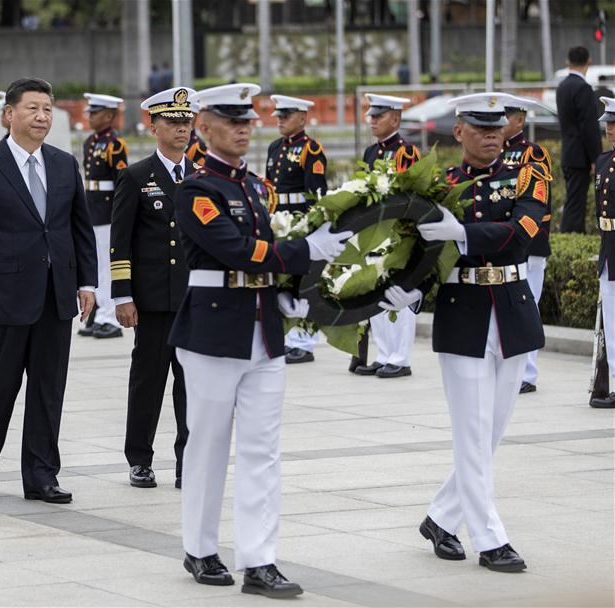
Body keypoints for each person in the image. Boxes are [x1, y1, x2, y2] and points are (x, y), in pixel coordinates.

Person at [170, 83, 352, 598]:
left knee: (262, 450)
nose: (244, 129)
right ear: (204, 126)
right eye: (232, 121)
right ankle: (200, 548)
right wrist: (305, 252)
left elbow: (265, 250)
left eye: (247, 121)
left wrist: (288, 290)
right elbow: (234, 250)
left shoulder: (254, 187)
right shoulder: (196, 190)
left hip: (262, 330)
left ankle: (259, 560)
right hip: (212, 332)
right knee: (208, 445)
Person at [411, 92, 549, 572]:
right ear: (459, 131)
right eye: (481, 127)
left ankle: (440, 518)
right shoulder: (441, 186)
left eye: (497, 127)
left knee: (490, 433)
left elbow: (522, 232)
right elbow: (422, 252)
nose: (493, 135)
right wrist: (406, 290)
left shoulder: (525, 176)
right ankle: (491, 539)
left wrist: (464, 235)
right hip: (463, 312)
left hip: (512, 310)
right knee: (472, 432)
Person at [0, 78, 97, 504]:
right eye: (32, 108)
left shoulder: (63, 163)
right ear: (9, 114)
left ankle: (41, 476)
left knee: (48, 390)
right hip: (6, 296)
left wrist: (86, 282)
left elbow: (79, 228)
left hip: (56, 295)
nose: (41, 116)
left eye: (47, 109)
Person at [110, 86, 195, 490]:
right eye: (173, 122)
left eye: (186, 122)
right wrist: (123, 295)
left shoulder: (202, 176)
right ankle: (140, 459)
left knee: (192, 385)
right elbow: (120, 241)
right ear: (154, 126)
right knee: (148, 382)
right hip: (154, 300)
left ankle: (188, 460)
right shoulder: (136, 176)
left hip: (194, 300)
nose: (182, 129)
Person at [351, 94, 421, 379]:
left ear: (395, 118)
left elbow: (409, 194)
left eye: (378, 116)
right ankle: (383, 355)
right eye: (371, 116)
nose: (372, 121)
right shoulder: (371, 152)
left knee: (397, 293)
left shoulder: (406, 152)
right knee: (376, 292)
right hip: (374, 231)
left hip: (395, 231)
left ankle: (400, 358)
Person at [265, 94, 328, 365]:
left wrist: (313, 226)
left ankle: (304, 341)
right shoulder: (275, 147)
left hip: (300, 221)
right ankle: (288, 337)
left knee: (302, 282)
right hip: (279, 221)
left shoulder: (310, 150)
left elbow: (317, 193)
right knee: (282, 281)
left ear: (302, 118)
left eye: (286, 116)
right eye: (278, 116)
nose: (280, 120)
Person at [501, 96, 554, 394]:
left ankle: (528, 373)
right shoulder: (496, 152)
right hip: (504, 242)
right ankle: (511, 369)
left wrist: (530, 240)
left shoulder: (532, 153)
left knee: (527, 306)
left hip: (528, 242)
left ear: (520, 119)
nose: (500, 123)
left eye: (506, 117)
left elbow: (540, 203)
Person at [79, 92, 128, 339]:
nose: (89, 117)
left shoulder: (114, 145)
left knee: (107, 267)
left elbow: (121, 183)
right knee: (95, 265)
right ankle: (98, 313)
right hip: (93, 209)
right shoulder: (90, 142)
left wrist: (119, 214)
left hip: (108, 212)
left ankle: (109, 318)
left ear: (108, 116)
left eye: (95, 113)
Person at [556, 46, 602, 233]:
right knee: (577, 204)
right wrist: (596, 159)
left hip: (568, 153)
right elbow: (589, 128)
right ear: (589, 61)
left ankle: (569, 236)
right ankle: (571, 236)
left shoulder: (562, 86)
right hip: (581, 156)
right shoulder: (583, 88)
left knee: (573, 200)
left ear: (568, 62)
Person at [590, 97, 615, 408]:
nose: (609, 128)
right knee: (611, 320)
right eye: (608, 123)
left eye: (614, 123)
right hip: (608, 246)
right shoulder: (604, 160)